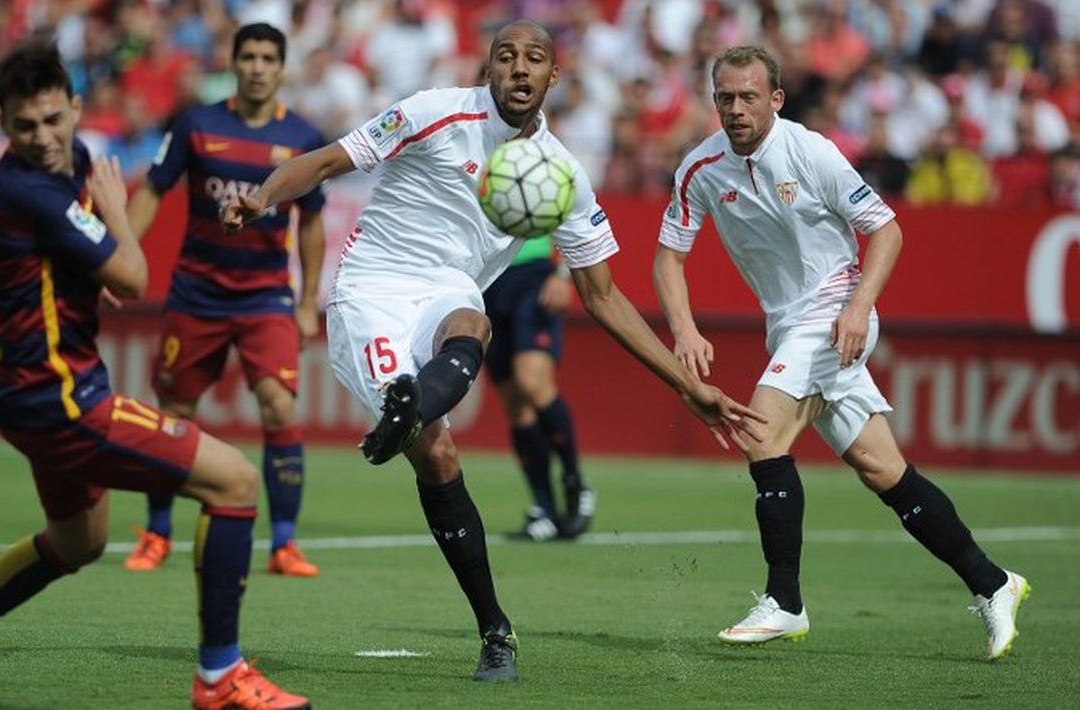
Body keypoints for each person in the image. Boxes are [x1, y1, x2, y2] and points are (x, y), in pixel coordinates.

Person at [222, 20, 766, 682]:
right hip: (370, 291)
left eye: (533, 58)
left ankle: (488, 617)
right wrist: (262, 196)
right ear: (488, 68)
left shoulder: (560, 174)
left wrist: (686, 384)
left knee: (470, 323)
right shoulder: (433, 113)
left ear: (552, 77)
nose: (518, 68)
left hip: (447, 292)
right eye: (505, 56)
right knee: (439, 454)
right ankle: (420, 438)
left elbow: (604, 297)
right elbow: (328, 160)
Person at [0, 42, 309, 710]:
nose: (43, 138)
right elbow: (132, 278)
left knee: (79, 541)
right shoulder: (27, 189)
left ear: (75, 106)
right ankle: (219, 677)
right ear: (2, 125)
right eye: (25, 127)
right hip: (60, 400)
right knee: (234, 481)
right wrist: (113, 209)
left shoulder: (63, 163)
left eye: (53, 119)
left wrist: (99, 233)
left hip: (28, 392)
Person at [654, 45, 1028, 658]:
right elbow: (668, 256)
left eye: (750, 97)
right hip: (789, 326)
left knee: (761, 435)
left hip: (833, 315)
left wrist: (857, 309)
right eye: (726, 97)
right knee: (885, 471)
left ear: (776, 99)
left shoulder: (812, 152)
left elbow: (886, 229)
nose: (737, 109)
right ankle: (993, 583)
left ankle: (785, 602)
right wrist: (684, 328)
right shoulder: (700, 167)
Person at [123, 23, 326, 578]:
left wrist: (309, 301)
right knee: (175, 414)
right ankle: (158, 533)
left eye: (268, 58)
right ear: (233, 64)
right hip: (197, 294)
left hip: (265, 298)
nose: (258, 66)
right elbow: (153, 191)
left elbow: (312, 224)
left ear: (282, 68)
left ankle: (284, 544)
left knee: (279, 405)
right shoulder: (196, 124)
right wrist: (115, 257)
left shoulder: (305, 139)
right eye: (249, 56)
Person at [481, 236, 594, 541]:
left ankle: (574, 482)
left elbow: (576, 216)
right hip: (485, 279)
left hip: (532, 276)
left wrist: (563, 274)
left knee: (532, 383)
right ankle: (545, 509)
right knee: (515, 404)